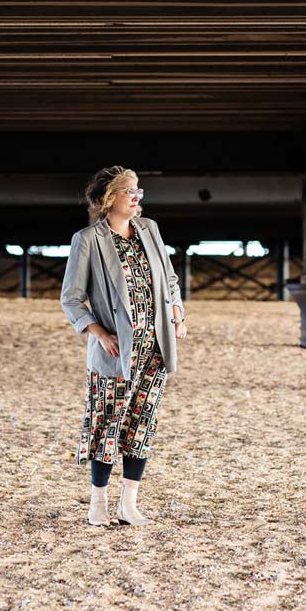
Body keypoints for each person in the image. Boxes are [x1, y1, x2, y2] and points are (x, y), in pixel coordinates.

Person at [60, 166, 187, 527]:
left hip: (156, 349)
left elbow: (170, 279)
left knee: (141, 424)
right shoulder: (87, 240)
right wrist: (99, 333)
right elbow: (71, 299)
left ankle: (128, 505)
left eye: (138, 191)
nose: (136, 197)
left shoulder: (150, 230)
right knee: (107, 424)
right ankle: (97, 503)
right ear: (108, 198)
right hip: (116, 354)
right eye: (128, 191)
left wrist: (178, 311)